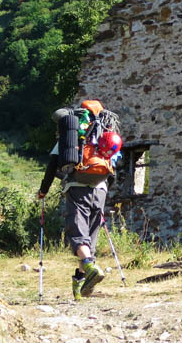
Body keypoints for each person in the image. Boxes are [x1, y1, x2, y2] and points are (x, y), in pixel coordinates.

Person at [37, 101, 120, 300]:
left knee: (76, 234)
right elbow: (115, 164)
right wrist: (105, 188)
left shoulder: (72, 131)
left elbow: (52, 164)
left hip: (77, 187)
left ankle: (90, 268)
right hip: (100, 189)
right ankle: (81, 283)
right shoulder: (107, 132)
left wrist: (43, 190)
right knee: (89, 238)